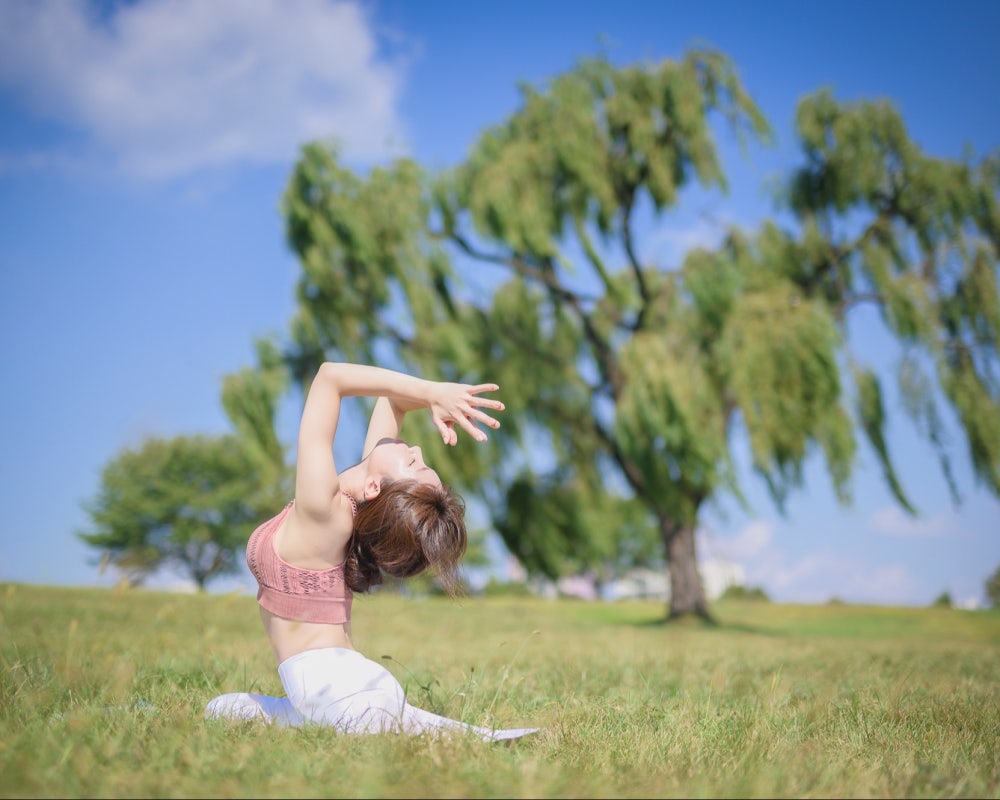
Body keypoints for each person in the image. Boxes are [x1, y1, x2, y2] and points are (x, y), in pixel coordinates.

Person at [205, 361, 538, 741]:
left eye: (413, 462)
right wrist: (433, 399)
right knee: (222, 707)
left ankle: (462, 735)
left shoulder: (325, 513)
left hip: (341, 690)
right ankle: (466, 734)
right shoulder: (353, 508)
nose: (416, 448)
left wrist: (431, 391)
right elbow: (392, 402)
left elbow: (329, 378)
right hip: (334, 689)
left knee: (403, 735)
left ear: (375, 488)